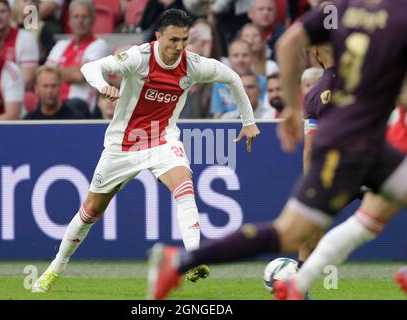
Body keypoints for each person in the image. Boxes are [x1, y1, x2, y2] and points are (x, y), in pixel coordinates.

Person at [146, 0, 407, 300]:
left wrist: (294, 109)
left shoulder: (339, 8)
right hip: (348, 145)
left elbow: (288, 42)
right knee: (291, 232)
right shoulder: (398, 12)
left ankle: (295, 285)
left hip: (366, 142)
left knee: (361, 220)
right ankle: (180, 261)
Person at [32, 8, 259, 293]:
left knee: (185, 185)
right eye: (173, 40)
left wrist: (248, 121)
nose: (179, 48)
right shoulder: (139, 57)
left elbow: (233, 78)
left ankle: (194, 257)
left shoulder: (192, 65)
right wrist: (103, 86)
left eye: (184, 40)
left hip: (162, 139)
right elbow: (90, 68)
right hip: (122, 146)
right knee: (90, 211)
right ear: (158, 36)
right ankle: (56, 267)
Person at [45, 0, 109, 111]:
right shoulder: (60, 45)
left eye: (84, 17)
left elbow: (81, 75)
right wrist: (73, 71)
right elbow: (46, 75)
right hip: (56, 106)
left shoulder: (100, 45)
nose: (80, 21)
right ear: (69, 21)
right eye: (76, 16)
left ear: (93, 20)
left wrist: (57, 70)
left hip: (82, 108)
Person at [23, 66, 89, 120]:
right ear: (36, 89)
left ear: (60, 87)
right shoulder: (29, 121)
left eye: (53, 86)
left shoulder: (76, 120)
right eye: (45, 86)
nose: (49, 91)